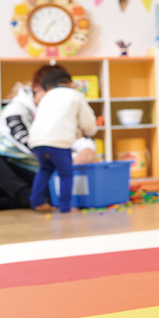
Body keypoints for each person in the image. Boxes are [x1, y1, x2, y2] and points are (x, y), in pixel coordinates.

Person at [0, 65, 95, 212]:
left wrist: (86, 147)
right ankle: (27, 198)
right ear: (37, 88)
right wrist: (67, 154)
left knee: (48, 179)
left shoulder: (58, 112)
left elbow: (69, 133)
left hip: (32, 176)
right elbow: (37, 142)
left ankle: (4, 203)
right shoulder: (16, 110)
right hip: (2, 176)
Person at [28, 66, 98, 211]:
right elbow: (88, 121)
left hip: (37, 142)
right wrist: (91, 131)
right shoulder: (75, 95)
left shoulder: (45, 98)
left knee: (44, 169)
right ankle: (65, 206)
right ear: (71, 84)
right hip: (59, 143)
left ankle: (37, 201)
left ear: (47, 88)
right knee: (66, 173)